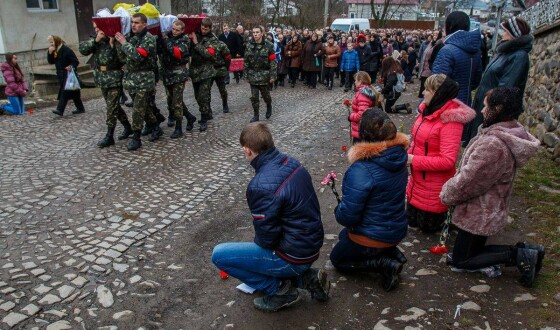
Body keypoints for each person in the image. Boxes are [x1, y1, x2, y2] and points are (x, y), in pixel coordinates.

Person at [212, 122, 329, 312]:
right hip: (309, 246)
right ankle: (306, 279)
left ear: (247, 150)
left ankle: (279, 291)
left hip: (294, 256)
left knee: (220, 255)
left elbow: (267, 240)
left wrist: (255, 260)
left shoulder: (259, 186)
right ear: (271, 141)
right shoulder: (293, 163)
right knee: (253, 251)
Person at [440, 87, 542, 287]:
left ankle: (519, 255)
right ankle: (531, 251)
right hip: (490, 207)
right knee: (469, 252)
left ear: (498, 109)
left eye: (486, 106)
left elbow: (471, 181)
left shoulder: (493, 145)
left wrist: (447, 193)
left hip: (479, 211)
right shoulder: (507, 131)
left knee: (462, 260)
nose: (482, 111)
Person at [331, 108, 409, 292]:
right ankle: (392, 252)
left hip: (374, 235)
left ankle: (384, 264)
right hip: (396, 228)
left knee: (338, 259)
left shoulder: (362, 169)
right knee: (344, 237)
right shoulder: (399, 157)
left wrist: (338, 210)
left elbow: (348, 216)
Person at [406, 74, 475, 233]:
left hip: (433, 192)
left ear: (438, 93)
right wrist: (407, 154)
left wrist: (413, 159)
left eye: (427, 90)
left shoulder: (450, 120)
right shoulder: (427, 111)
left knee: (427, 234)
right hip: (417, 185)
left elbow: (447, 161)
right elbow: (418, 141)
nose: (423, 93)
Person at [464, 17, 533, 146]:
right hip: (486, 105)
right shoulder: (505, 52)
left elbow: (506, 89)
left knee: (486, 147)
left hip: (494, 110)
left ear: (513, 34)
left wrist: (491, 107)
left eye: (505, 31)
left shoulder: (519, 56)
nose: (502, 33)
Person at [79, 22, 132, 148]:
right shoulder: (96, 41)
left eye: (98, 27)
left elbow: (123, 59)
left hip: (114, 78)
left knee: (111, 107)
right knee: (113, 106)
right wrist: (95, 40)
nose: (96, 29)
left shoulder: (115, 39)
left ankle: (109, 136)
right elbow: (83, 50)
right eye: (95, 28)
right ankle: (128, 127)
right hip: (101, 78)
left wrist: (114, 45)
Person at [115, 13, 159, 151]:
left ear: (144, 24)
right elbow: (123, 58)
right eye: (132, 22)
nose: (133, 25)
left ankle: (136, 138)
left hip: (144, 79)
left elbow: (138, 56)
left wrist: (124, 43)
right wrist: (118, 44)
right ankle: (156, 126)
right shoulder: (132, 39)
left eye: (137, 22)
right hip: (132, 79)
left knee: (138, 109)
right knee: (143, 108)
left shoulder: (149, 39)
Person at [432, 11, 482, 108]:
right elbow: (476, 81)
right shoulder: (475, 51)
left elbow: (436, 84)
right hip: (466, 104)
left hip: (447, 106)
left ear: (450, 26)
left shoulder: (447, 51)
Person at [157, 19, 197, 138]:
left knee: (177, 101)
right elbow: (159, 50)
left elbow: (175, 52)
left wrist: (165, 39)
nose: (174, 32)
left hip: (179, 73)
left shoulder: (184, 40)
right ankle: (190, 117)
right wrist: (160, 38)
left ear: (182, 30)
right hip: (167, 72)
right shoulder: (167, 36)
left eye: (177, 30)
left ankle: (178, 127)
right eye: (173, 29)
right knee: (172, 99)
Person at [188, 18, 218, 132]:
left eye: (206, 29)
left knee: (203, 96)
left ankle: (203, 119)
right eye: (202, 28)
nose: (203, 30)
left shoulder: (213, 39)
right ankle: (207, 112)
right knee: (197, 96)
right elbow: (189, 50)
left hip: (206, 72)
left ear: (210, 28)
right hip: (195, 71)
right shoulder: (195, 34)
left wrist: (196, 42)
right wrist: (190, 40)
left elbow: (208, 54)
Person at [243, 25, 276, 122]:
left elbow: (273, 61)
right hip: (253, 74)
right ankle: (256, 115)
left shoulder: (269, 45)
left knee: (266, 96)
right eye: (253, 32)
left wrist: (273, 75)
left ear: (262, 33)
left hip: (264, 75)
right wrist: (245, 74)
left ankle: (269, 105)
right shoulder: (249, 45)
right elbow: (246, 61)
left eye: (257, 32)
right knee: (254, 97)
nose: (255, 34)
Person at [47, 35, 86, 116]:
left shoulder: (66, 50)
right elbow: (51, 62)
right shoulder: (55, 50)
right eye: (50, 42)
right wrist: (49, 53)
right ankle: (80, 108)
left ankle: (60, 110)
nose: (51, 44)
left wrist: (71, 66)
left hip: (68, 74)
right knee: (74, 92)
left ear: (57, 42)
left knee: (64, 92)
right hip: (60, 75)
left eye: (52, 42)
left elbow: (75, 61)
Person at [347, 71, 379, 143]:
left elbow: (362, 115)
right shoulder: (367, 91)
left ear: (360, 81)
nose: (354, 82)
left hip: (361, 129)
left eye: (355, 80)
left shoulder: (363, 94)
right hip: (364, 129)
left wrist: (351, 117)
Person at [212, 38, 232, 113]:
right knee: (206, 91)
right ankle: (207, 108)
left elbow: (227, 58)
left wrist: (225, 68)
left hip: (219, 69)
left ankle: (225, 104)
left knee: (222, 89)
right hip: (208, 70)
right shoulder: (204, 44)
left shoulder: (221, 44)